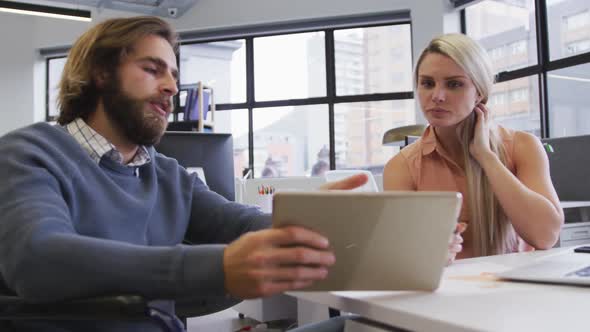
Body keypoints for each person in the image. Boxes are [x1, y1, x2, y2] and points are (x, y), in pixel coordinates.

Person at [0, 16, 367, 331]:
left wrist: (316, 219)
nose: (172, 87)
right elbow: (37, 259)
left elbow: (239, 222)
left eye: (174, 75)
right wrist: (218, 266)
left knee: (356, 327)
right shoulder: (29, 153)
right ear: (100, 73)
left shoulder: (163, 172)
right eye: (151, 69)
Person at [383, 33, 564, 262]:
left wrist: (486, 157)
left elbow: (545, 236)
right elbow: (400, 255)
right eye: (427, 83)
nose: (437, 96)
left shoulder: (522, 146)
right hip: (445, 293)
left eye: (454, 84)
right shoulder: (403, 167)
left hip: (515, 291)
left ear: (479, 93)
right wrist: (428, 251)